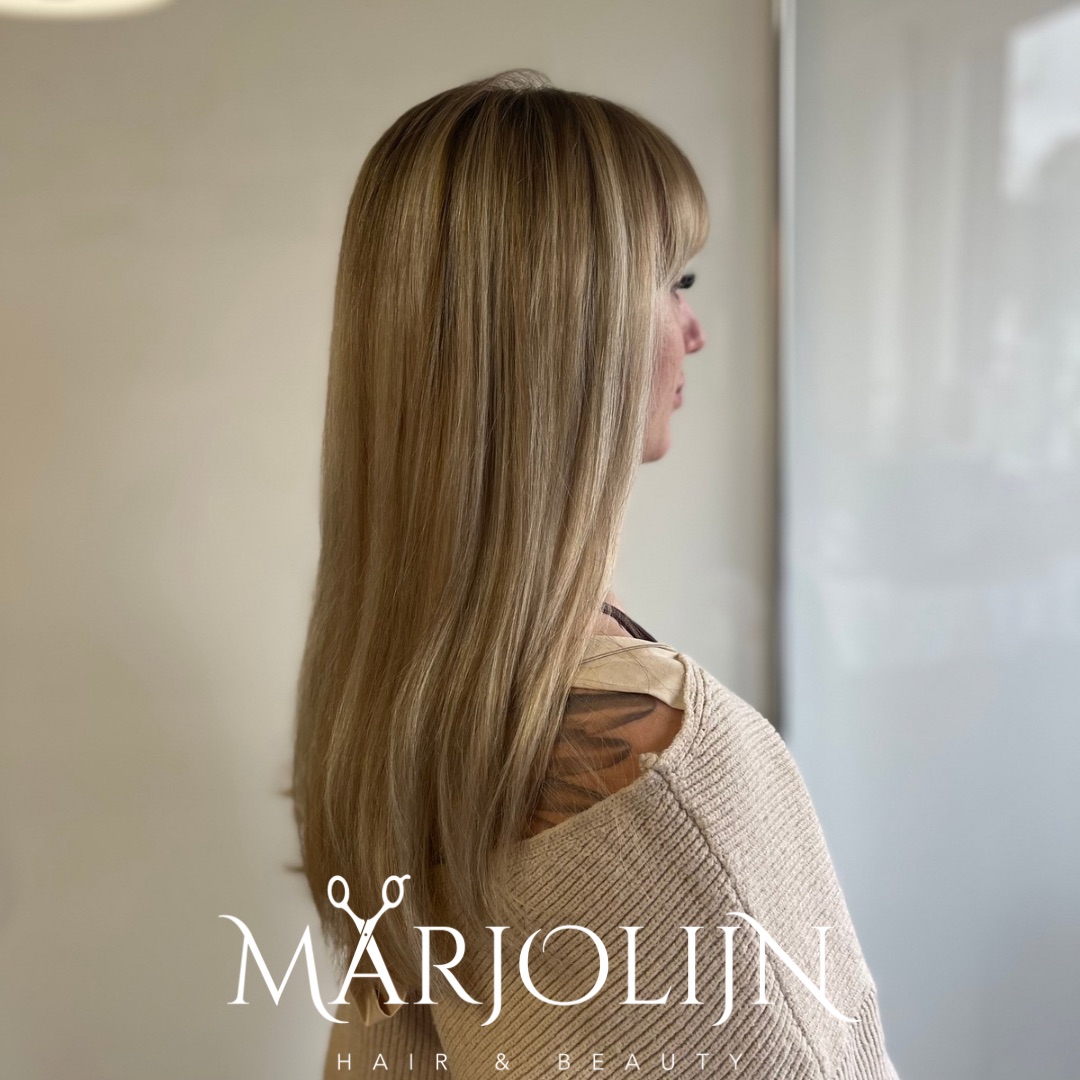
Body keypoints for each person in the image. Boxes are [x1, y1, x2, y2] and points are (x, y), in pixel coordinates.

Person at [291, 69, 899, 1079]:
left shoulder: (396, 712)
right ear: (574, 325)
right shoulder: (655, 758)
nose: (695, 331)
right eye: (676, 283)